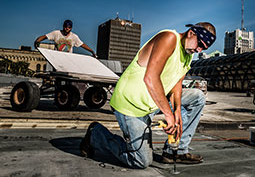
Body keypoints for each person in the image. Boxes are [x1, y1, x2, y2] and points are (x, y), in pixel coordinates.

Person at [79, 22, 216, 168]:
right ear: (191, 33)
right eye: (199, 44)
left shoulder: (188, 55)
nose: (199, 49)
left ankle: (175, 151)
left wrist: (177, 113)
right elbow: (150, 78)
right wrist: (168, 115)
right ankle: (96, 134)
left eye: (203, 48)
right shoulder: (169, 38)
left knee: (197, 97)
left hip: (152, 102)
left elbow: (177, 84)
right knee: (141, 161)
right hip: (131, 104)